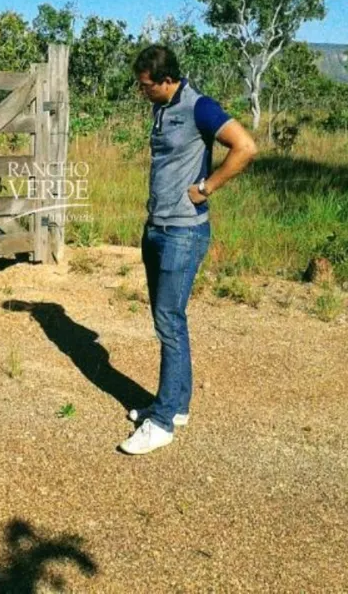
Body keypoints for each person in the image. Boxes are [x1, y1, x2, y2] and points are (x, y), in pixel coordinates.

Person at [120, 45, 257, 455]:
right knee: (169, 320)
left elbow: (245, 147)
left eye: (146, 85)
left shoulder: (200, 106)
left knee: (169, 321)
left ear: (166, 80)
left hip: (183, 232)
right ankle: (176, 405)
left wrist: (207, 188)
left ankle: (161, 424)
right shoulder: (160, 107)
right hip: (157, 228)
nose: (141, 91)